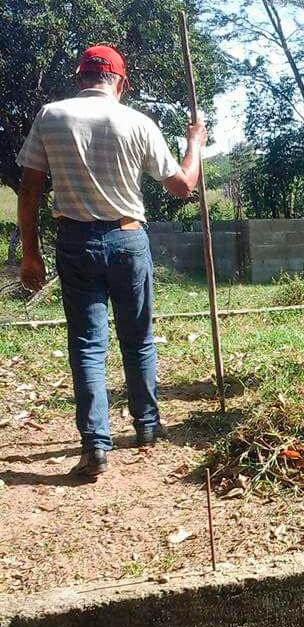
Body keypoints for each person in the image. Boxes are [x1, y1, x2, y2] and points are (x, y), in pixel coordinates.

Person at [17, 44, 208, 477]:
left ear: (81, 77)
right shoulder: (138, 122)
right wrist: (194, 143)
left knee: (87, 345)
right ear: (120, 82)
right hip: (127, 238)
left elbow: (29, 191)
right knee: (137, 337)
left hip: (74, 241)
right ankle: (146, 426)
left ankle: (95, 446)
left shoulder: (51, 116)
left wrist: (31, 253)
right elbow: (183, 186)